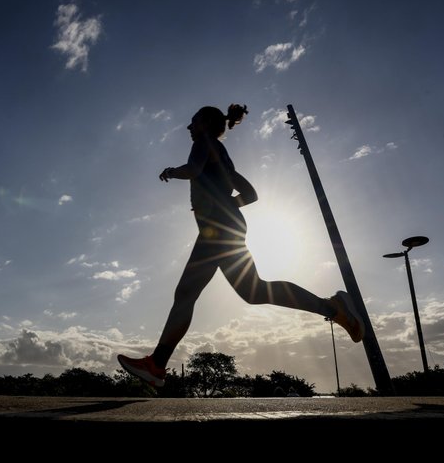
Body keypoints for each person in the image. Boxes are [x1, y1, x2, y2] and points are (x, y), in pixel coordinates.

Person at [117, 103, 365, 387]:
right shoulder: (223, 157)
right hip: (228, 225)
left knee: (186, 293)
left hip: (217, 229)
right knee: (253, 291)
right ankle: (334, 308)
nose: (189, 127)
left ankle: (157, 366)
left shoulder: (204, 142)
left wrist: (172, 172)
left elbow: (194, 169)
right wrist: (225, 205)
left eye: (193, 121)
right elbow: (250, 194)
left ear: (206, 124)